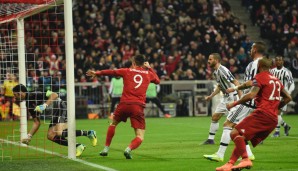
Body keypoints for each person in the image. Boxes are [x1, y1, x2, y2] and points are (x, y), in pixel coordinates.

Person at [216, 58, 292, 171]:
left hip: (262, 114)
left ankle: (246, 159)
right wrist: (275, 108)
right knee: (242, 138)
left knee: (234, 132)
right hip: (273, 119)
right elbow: (288, 98)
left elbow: (251, 94)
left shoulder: (261, 76)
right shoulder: (276, 80)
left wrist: (234, 103)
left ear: (260, 67)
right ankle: (230, 164)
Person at [86, 54, 160, 159]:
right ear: (143, 63)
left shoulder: (127, 71)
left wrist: (97, 73)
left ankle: (106, 148)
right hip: (137, 107)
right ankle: (128, 149)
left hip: (124, 104)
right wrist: (150, 68)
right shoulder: (148, 74)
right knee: (140, 136)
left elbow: (112, 72)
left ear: (134, 63)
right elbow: (157, 80)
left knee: (113, 124)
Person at [205, 42, 267, 162]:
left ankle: (220, 154)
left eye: (210, 59)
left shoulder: (250, 65)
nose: (208, 61)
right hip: (253, 99)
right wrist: (211, 96)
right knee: (236, 126)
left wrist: (238, 98)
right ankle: (248, 154)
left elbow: (244, 83)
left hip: (245, 99)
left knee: (229, 125)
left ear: (254, 50)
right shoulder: (265, 65)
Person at [12, 84, 97, 157]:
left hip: (62, 107)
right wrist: (29, 136)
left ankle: (89, 133)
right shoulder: (29, 104)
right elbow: (37, 122)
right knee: (51, 136)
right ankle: (78, 145)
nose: (15, 97)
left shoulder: (35, 93)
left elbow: (55, 95)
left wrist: (44, 105)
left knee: (59, 132)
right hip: (56, 113)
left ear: (20, 93)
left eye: (15, 95)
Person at [270, 56, 294, 137]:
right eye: (276, 60)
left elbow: (292, 84)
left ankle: (277, 132)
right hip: (273, 95)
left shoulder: (287, 72)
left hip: (283, 95)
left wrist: (288, 93)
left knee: (277, 113)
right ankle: (286, 126)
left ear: (283, 61)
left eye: (280, 60)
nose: (278, 61)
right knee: (274, 114)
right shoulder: (271, 71)